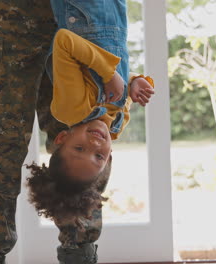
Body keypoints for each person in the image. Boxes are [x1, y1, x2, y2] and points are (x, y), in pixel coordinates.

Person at [0, 0, 124, 263]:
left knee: (86, 134)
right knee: (1, 146)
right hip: (5, 16)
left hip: (81, 12)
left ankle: (80, 254)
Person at [26, 1, 155, 263]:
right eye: (99, 157)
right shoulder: (115, 126)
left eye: (79, 149)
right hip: (113, 14)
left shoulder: (72, 109)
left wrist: (108, 74)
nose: (96, 144)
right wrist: (136, 83)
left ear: (61, 138)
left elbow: (64, 40)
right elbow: (122, 89)